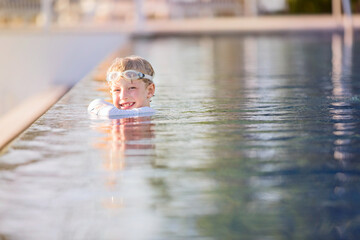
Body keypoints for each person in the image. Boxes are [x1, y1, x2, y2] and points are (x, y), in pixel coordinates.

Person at [88, 55, 156, 118]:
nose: (123, 96)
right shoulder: (116, 111)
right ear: (111, 92)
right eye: (117, 90)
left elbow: (109, 112)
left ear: (150, 90)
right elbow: (95, 103)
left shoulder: (147, 112)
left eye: (132, 88)